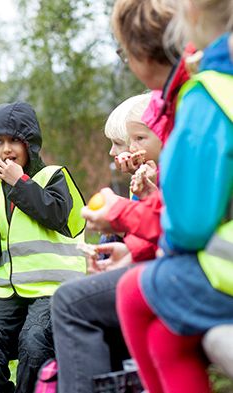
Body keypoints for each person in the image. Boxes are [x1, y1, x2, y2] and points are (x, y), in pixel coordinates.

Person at [51, 1, 187, 391]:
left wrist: (124, 213)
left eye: (136, 139)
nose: (120, 152)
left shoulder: (190, 110)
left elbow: (184, 222)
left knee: (69, 303)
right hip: (191, 264)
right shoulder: (190, 105)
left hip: (202, 272)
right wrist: (130, 248)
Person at [116, 1, 233, 391]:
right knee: (167, 336)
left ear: (190, 19)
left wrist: (161, 242)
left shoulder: (207, 93)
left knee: (133, 292)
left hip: (226, 265)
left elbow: (190, 222)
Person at [0, 102, 86, 393]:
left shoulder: (55, 176)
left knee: (34, 343)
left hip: (52, 287)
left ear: (30, 144)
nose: (6, 149)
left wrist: (19, 182)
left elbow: (57, 216)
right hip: (5, 290)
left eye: (13, 141)